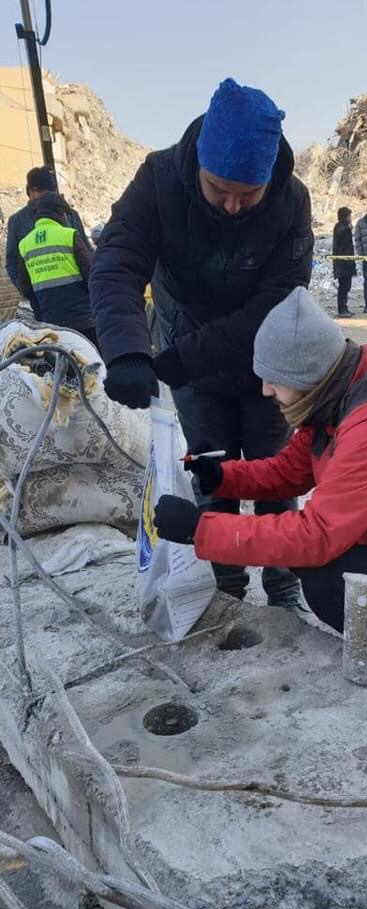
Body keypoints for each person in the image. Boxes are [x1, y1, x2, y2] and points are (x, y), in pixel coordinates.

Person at [153, 286, 367, 676]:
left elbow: (315, 537)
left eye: (274, 379)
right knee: (327, 565)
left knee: (328, 577)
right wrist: (222, 476)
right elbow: (288, 472)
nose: (266, 390)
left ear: (307, 374)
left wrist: (201, 530)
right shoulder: (336, 395)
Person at [90, 77, 314, 612]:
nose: (234, 207)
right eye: (220, 191)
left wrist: (183, 357)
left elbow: (275, 303)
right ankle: (227, 587)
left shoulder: (291, 201)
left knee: (274, 472)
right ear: (198, 168)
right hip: (185, 352)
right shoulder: (160, 179)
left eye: (248, 195)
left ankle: (285, 583)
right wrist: (126, 350)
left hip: (263, 361)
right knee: (211, 474)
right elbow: (116, 263)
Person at [6, 166, 91, 321]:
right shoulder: (17, 222)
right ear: (29, 191)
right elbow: (12, 264)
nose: (43, 195)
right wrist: (32, 294)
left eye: (48, 190)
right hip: (44, 308)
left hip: (81, 305)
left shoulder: (70, 214)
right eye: (38, 190)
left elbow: (87, 254)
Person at [16, 192, 98, 347]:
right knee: (93, 365)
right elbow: (92, 275)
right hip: (83, 321)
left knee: (63, 366)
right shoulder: (68, 235)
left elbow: (25, 289)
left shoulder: (24, 244)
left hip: (50, 326)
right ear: (60, 213)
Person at [332, 207, 356, 318]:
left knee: (347, 286)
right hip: (342, 263)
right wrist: (347, 228)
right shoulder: (339, 227)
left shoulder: (345, 228)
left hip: (348, 262)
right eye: (349, 216)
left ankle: (345, 307)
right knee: (343, 286)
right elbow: (340, 233)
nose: (350, 218)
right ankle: (341, 309)